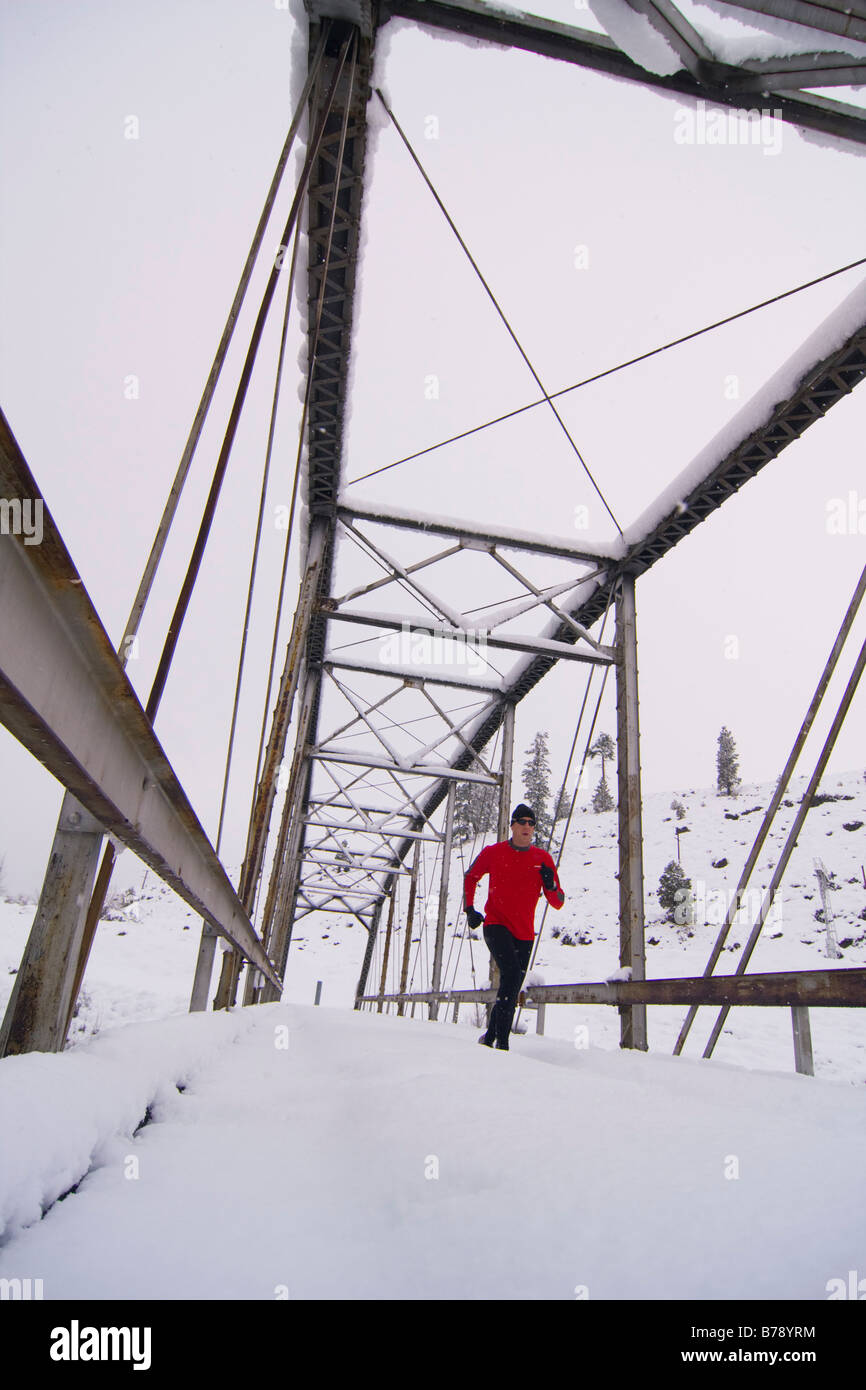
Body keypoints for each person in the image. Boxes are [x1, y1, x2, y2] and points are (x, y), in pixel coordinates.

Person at [463, 803, 565, 1051]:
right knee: (510, 975)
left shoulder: (543, 859)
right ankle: (503, 1043)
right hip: (495, 924)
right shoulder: (493, 852)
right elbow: (471, 876)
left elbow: (558, 902)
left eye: (532, 823)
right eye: (522, 821)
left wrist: (550, 886)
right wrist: (470, 909)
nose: (527, 826)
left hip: (525, 934)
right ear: (512, 826)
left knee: (512, 983)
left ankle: (489, 1037)